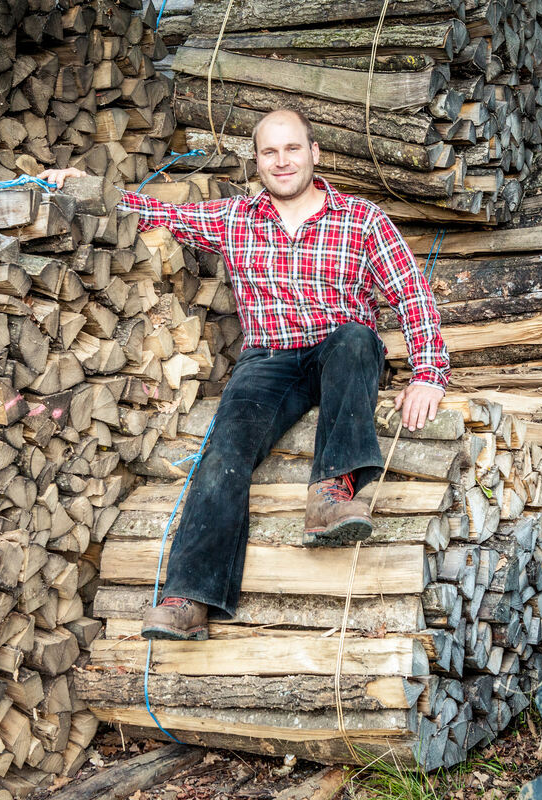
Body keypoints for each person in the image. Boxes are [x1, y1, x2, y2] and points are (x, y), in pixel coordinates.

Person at [39, 109, 449, 641]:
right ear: (257, 161)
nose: (282, 161)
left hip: (340, 352)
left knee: (356, 338)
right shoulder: (236, 217)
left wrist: (428, 373)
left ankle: (331, 494)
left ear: (314, 153)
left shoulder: (361, 218)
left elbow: (411, 293)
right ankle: (190, 597)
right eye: (270, 152)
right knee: (224, 451)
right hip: (268, 361)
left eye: (293, 148)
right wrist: (86, 186)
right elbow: (157, 212)